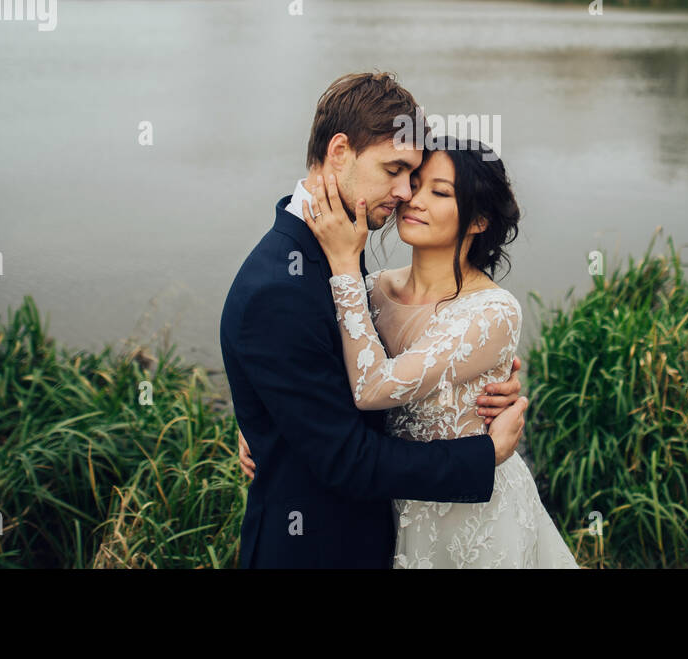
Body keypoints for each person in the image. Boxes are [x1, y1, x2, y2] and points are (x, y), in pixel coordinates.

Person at [220, 71, 527, 568]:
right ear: (339, 152)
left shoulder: (341, 246)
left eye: (418, 177)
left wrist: (475, 385)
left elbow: (354, 363)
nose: (406, 192)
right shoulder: (281, 287)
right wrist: (482, 454)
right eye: (396, 170)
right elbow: (347, 459)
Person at [300, 136, 580, 568]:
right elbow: (308, 364)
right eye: (415, 182)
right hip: (390, 509)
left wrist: (342, 264)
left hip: (472, 517)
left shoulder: (491, 311)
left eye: (441, 192)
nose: (414, 199)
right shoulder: (372, 292)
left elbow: (373, 387)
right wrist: (261, 420)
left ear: (479, 220)